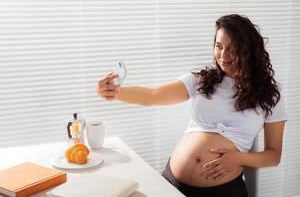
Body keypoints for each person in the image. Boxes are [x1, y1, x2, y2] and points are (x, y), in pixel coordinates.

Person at [96, 14, 287, 197]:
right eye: (219, 46)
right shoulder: (203, 79)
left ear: (248, 50)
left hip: (222, 191)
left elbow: (273, 155)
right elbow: (152, 96)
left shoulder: (269, 95)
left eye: (232, 48)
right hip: (172, 183)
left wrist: (239, 158)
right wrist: (115, 92)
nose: (223, 55)